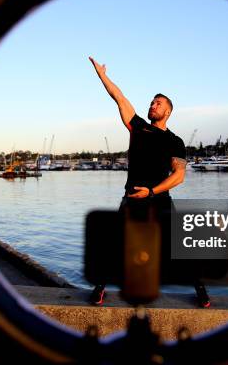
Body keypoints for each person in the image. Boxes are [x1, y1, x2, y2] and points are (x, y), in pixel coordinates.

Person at [88, 56, 210, 308]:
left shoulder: (175, 141)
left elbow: (179, 175)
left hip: (159, 199)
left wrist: (152, 191)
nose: (153, 105)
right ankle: (100, 288)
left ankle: (200, 290)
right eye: (152, 102)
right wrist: (102, 75)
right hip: (132, 197)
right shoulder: (138, 127)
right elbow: (119, 97)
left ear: (168, 111)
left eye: (158, 103)